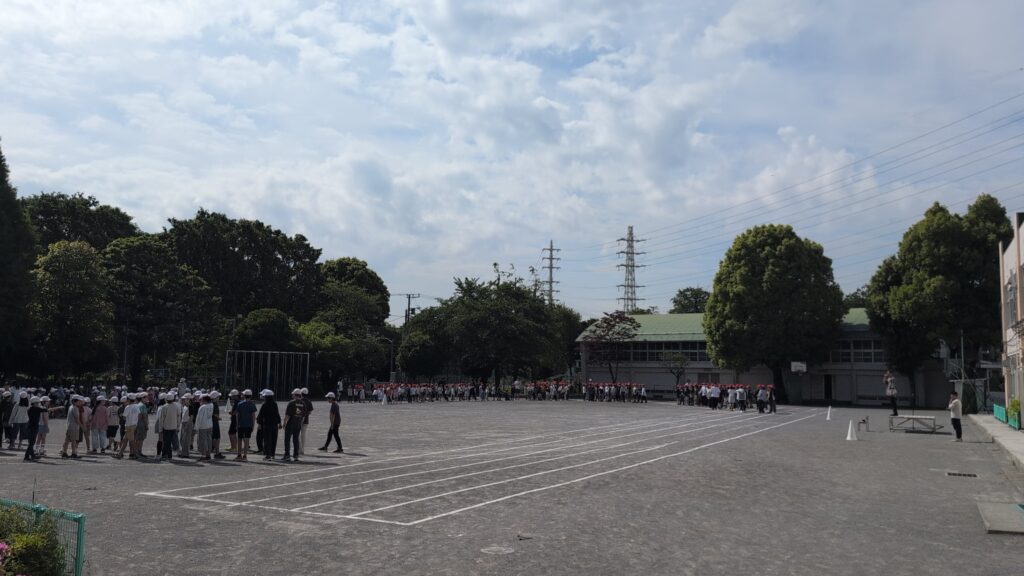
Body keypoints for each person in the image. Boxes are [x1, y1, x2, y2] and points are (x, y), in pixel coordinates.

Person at [282, 389, 305, 462]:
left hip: (291, 423)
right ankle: (296, 456)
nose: (292, 395)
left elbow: (287, 414)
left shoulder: (291, 402)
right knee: (296, 440)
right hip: (298, 424)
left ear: (295, 395)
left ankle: (287, 455)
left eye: (293, 394)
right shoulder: (303, 403)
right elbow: (303, 416)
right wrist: (300, 423)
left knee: (287, 439)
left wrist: (284, 423)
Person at [257, 389, 281, 461]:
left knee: (267, 440)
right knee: (274, 440)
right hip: (275, 425)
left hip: (267, 424)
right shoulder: (275, 404)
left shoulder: (264, 404)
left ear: (267, 397)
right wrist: (279, 422)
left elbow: (261, 415)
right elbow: (277, 414)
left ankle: (268, 455)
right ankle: (273, 455)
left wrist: (259, 423)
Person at [234, 390, 257, 461]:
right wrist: (253, 425)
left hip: (241, 424)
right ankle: (245, 456)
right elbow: (253, 416)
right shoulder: (252, 404)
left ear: (244, 395)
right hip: (249, 425)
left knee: (239, 439)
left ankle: (239, 455)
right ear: (251, 396)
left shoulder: (240, 404)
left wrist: (237, 424)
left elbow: (237, 415)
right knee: (247, 440)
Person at [158, 393, 182, 461]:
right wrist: (178, 426)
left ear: (166, 399)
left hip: (166, 427)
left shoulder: (164, 407)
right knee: (172, 441)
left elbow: (161, 419)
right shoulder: (176, 406)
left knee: (166, 442)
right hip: (174, 427)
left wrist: (160, 428)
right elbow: (179, 417)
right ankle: (167, 454)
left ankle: (168, 455)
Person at [23, 396, 45, 462]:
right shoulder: (36, 409)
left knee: (31, 442)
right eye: (37, 403)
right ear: (34, 403)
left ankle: (32, 455)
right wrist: (59, 407)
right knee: (32, 443)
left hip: (29, 427)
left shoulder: (30, 409)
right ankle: (26, 456)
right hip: (33, 427)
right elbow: (46, 410)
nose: (38, 404)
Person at [195, 394, 214, 461]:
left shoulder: (202, 407)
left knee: (203, 441)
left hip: (203, 426)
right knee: (209, 440)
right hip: (210, 425)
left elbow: (199, 418)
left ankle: (204, 455)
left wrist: (197, 427)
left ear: (204, 400)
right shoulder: (211, 405)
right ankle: (208, 454)